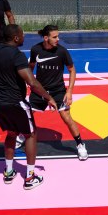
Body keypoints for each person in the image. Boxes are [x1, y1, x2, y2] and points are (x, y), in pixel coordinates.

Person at [0, 24, 57, 190]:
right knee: (31, 135)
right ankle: (30, 177)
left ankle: (9, 172)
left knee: (11, 133)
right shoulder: (17, 55)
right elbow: (32, 82)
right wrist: (49, 98)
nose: (24, 37)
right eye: (22, 35)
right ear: (16, 38)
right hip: (15, 102)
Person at [17, 24, 88, 160]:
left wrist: (70, 91)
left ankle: (80, 144)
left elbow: (72, 70)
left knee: (66, 117)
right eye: (55, 37)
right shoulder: (35, 50)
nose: (58, 39)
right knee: (28, 114)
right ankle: (21, 136)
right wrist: (28, 83)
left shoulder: (62, 51)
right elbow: (30, 67)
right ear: (45, 38)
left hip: (58, 91)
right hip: (40, 90)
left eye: (58, 36)